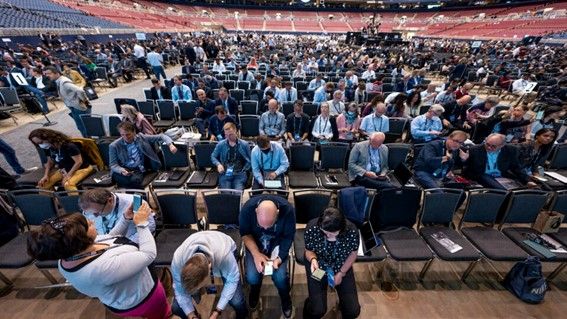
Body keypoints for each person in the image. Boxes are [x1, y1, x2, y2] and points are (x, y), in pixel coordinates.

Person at [26, 208, 171, 319]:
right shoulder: (99, 268)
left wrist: (126, 219)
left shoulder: (71, 253)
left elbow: (111, 237)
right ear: (80, 239)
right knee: (161, 315)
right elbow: (148, 255)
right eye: (89, 225)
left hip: (126, 293)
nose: (93, 222)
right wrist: (142, 225)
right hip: (141, 299)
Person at [239, 195, 296, 319]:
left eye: (269, 225)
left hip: (277, 246)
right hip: (255, 245)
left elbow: (288, 236)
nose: (265, 229)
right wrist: (256, 254)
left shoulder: (287, 210)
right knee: (253, 277)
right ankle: (255, 290)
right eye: (262, 225)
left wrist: (280, 257)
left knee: (280, 278)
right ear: (256, 212)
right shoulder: (247, 209)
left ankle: (285, 298)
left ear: (277, 213)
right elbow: (245, 234)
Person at [171, 231, 248, 319]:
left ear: (209, 269)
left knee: (236, 301)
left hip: (224, 244)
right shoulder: (178, 259)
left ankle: (243, 315)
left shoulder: (224, 255)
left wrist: (217, 311)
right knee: (176, 308)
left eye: (200, 287)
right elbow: (179, 290)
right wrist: (191, 315)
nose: (199, 289)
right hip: (200, 241)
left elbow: (232, 280)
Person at [303, 207, 360, 319]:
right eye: (325, 233)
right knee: (317, 309)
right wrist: (313, 260)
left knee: (352, 310)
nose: (328, 236)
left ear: (341, 228)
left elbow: (353, 254)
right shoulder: (312, 227)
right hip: (319, 264)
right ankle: (309, 306)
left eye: (332, 234)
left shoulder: (351, 231)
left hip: (341, 265)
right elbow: (308, 250)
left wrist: (341, 273)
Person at [109, 121, 177, 189]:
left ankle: (134, 195)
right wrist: (121, 170)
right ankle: (137, 194)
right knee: (134, 182)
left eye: (128, 134)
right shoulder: (114, 146)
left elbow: (162, 136)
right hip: (125, 169)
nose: (125, 137)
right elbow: (113, 165)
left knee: (135, 181)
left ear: (134, 132)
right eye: (122, 135)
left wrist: (170, 145)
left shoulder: (142, 138)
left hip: (138, 169)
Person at [79, 188, 156, 242]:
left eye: (98, 212)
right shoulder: (89, 210)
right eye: (89, 213)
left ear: (110, 200)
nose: (95, 216)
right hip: (104, 244)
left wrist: (129, 244)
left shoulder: (134, 203)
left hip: (130, 245)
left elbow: (150, 226)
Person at [29, 128, 93, 191]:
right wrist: (46, 175)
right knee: (43, 185)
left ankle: (75, 200)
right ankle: (53, 200)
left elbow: (79, 162)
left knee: (68, 184)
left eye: (41, 142)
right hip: (64, 170)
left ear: (48, 138)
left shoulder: (69, 146)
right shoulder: (49, 148)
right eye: (38, 144)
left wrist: (68, 175)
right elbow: (50, 162)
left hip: (82, 168)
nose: (41, 145)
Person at [463, 133, 534, 189]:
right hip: (483, 174)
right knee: (502, 190)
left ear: (502, 145)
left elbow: (516, 167)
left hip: (501, 175)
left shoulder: (511, 150)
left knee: (522, 189)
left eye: (493, 146)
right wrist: (464, 159)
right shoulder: (475, 149)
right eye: (487, 144)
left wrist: (527, 180)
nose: (489, 147)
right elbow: (467, 166)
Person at [44, 66, 92, 137]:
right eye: (46, 74)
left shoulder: (64, 82)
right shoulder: (59, 81)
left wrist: (85, 101)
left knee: (83, 127)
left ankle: (90, 143)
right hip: (74, 106)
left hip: (78, 107)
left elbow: (80, 90)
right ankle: (90, 142)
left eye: (49, 73)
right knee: (83, 127)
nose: (47, 76)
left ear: (56, 73)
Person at [211, 122, 251, 190]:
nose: (228, 137)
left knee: (238, 194)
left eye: (231, 134)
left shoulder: (244, 144)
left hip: (239, 173)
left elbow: (250, 160)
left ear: (236, 131)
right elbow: (213, 156)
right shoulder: (221, 144)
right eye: (226, 135)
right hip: (225, 173)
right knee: (226, 194)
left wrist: (245, 169)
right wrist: (218, 164)